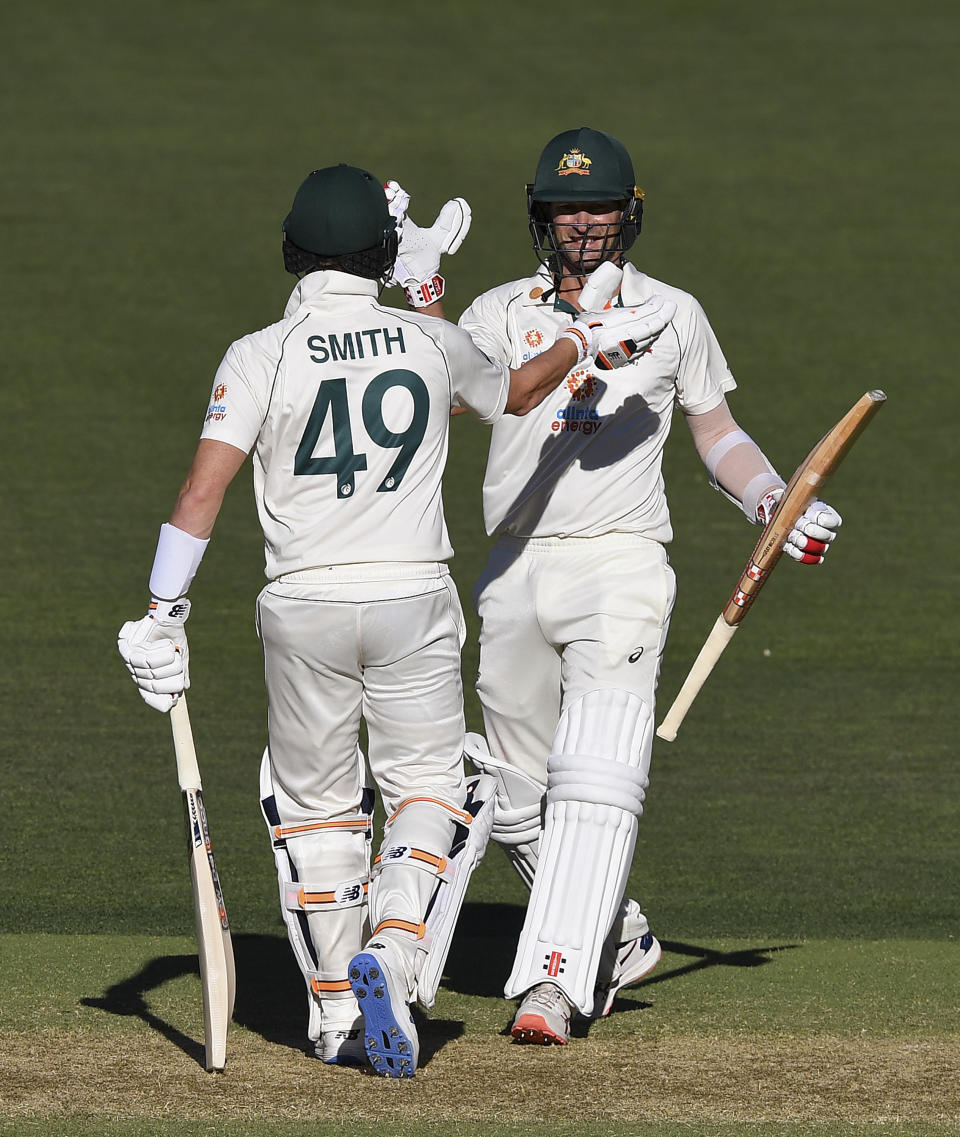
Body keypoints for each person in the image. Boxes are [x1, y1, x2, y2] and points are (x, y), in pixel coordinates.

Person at [116, 163, 677, 1077]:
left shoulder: (258, 353)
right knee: (435, 788)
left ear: (292, 253)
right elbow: (519, 392)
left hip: (302, 604)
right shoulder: (427, 341)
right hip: (414, 596)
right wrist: (581, 342)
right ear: (381, 252)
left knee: (315, 810)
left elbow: (200, 491)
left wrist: (160, 613)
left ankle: (338, 1008)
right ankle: (401, 951)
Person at [399, 126, 843, 1046]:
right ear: (542, 217)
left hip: (622, 562)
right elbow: (445, 395)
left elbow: (716, 431)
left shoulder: (672, 313)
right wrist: (425, 298)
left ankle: (552, 983)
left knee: (597, 770)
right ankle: (621, 930)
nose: (584, 225)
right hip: (514, 565)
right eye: (567, 209)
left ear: (628, 213)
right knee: (518, 794)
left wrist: (770, 497)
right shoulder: (496, 311)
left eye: (599, 207)